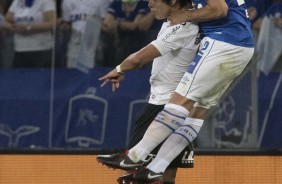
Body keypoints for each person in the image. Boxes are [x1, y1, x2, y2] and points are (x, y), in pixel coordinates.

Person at [97, 0, 255, 182]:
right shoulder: (188, 24)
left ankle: (134, 156)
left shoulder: (185, 24)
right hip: (241, 44)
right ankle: (156, 167)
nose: (149, 4)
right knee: (197, 112)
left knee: (181, 103)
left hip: (224, 40)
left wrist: (184, 15)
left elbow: (219, 9)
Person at [96, 0, 199, 183]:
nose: (149, 4)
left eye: (154, 0)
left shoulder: (184, 28)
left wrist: (119, 69)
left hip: (162, 109)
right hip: (175, 106)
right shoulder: (172, 24)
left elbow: (139, 59)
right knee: (164, 174)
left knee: (136, 175)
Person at [59, 0, 111, 69]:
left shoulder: (101, 1)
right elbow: (67, 22)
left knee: (92, 71)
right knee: (72, 70)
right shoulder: (67, 1)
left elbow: (106, 24)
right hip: (75, 39)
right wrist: (63, 26)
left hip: (93, 40)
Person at [5, 0, 56, 68]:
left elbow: (53, 23)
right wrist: (12, 27)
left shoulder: (46, 1)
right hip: (20, 49)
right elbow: (7, 20)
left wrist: (28, 27)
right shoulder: (17, 1)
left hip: (41, 49)